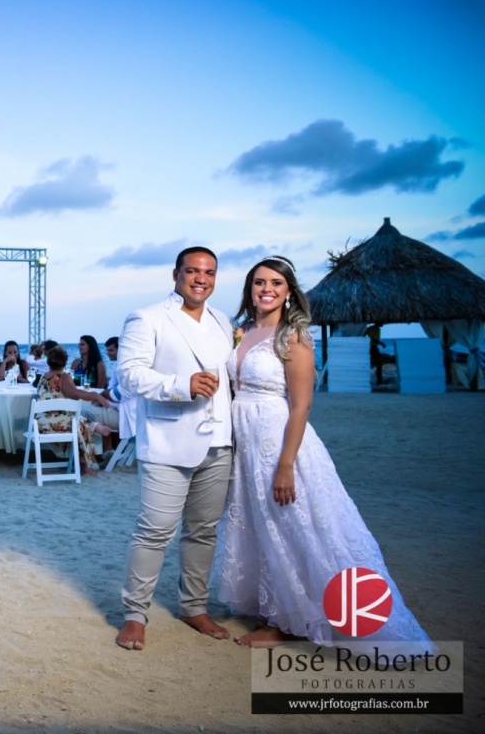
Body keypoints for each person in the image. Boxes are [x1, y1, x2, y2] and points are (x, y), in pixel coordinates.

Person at [213, 256, 431, 650]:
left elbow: (301, 405)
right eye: (259, 282)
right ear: (249, 288)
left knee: (293, 527)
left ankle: (291, 622)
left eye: (276, 283)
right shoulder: (243, 332)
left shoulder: (293, 336)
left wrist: (285, 465)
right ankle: (276, 607)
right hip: (246, 443)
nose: (266, 289)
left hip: (279, 442)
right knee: (262, 525)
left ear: (288, 292)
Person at [115, 246, 233, 651]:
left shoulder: (223, 321)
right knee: (155, 531)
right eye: (193, 271)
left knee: (203, 531)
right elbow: (128, 375)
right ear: (176, 274)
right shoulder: (147, 317)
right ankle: (135, 614)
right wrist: (181, 386)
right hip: (168, 441)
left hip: (220, 443)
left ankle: (193, 607)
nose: (201, 279)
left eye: (209, 272)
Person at [33, 345, 112, 474]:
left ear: (48, 361)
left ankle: (96, 428)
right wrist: (95, 396)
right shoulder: (63, 377)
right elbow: (74, 394)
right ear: (65, 362)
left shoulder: (43, 377)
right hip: (59, 424)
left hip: (41, 424)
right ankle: (85, 465)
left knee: (76, 421)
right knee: (79, 425)